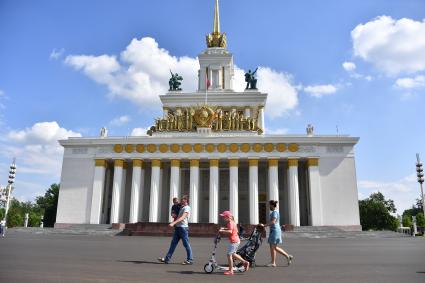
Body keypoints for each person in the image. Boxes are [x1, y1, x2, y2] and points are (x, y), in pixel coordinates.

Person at [158, 195, 193, 265]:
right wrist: (173, 214)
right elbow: (175, 212)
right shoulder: (181, 207)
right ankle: (167, 259)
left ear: (186, 200)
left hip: (183, 228)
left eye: (183, 199)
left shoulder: (187, 208)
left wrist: (173, 222)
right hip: (178, 228)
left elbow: (183, 217)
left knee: (186, 244)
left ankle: (190, 259)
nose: (181, 200)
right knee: (173, 244)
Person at [262, 200, 293, 267]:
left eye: (269, 205)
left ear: (272, 205)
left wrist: (264, 225)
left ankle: (286, 257)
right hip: (274, 230)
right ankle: (273, 262)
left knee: (273, 247)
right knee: (273, 247)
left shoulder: (274, 212)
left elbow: (273, 222)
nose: (268, 206)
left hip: (275, 230)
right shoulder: (274, 212)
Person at [219, 211, 250, 275]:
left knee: (229, 255)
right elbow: (233, 230)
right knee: (233, 254)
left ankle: (231, 270)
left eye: (224, 217)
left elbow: (230, 232)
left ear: (228, 217)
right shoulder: (232, 222)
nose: (223, 218)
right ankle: (245, 262)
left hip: (234, 241)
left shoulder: (230, 223)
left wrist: (222, 231)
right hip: (236, 240)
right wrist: (224, 228)